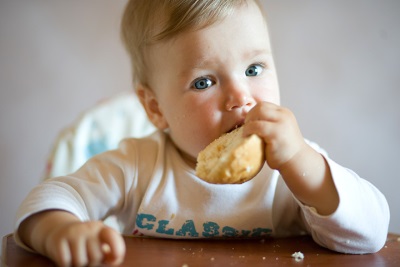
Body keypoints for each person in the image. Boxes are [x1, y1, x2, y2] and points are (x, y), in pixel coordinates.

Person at [14, 0, 390, 266]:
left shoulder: (291, 167)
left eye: (254, 69)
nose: (240, 97)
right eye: (204, 81)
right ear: (156, 108)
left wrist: (304, 166)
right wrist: (58, 230)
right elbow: (47, 198)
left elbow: (370, 235)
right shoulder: (138, 167)